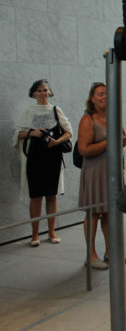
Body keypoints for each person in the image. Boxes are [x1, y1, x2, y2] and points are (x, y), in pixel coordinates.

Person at [14, 79, 72, 246]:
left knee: (51, 195)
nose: (43, 93)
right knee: (36, 196)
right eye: (39, 90)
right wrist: (32, 133)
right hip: (35, 158)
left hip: (52, 156)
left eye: (45, 90)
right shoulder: (29, 111)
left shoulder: (55, 110)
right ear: (33, 94)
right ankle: (35, 234)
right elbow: (18, 134)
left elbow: (68, 132)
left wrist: (56, 141)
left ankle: (52, 231)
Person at [77, 82, 126, 270]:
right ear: (92, 98)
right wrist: (109, 142)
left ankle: (110, 252)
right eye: (100, 94)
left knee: (109, 212)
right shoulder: (87, 120)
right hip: (95, 172)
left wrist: (121, 141)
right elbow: (84, 149)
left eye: (107, 94)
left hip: (112, 171)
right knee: (94, 213)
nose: (104, 97)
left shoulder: (113, 116)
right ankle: (90, 255)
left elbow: (124, 139)